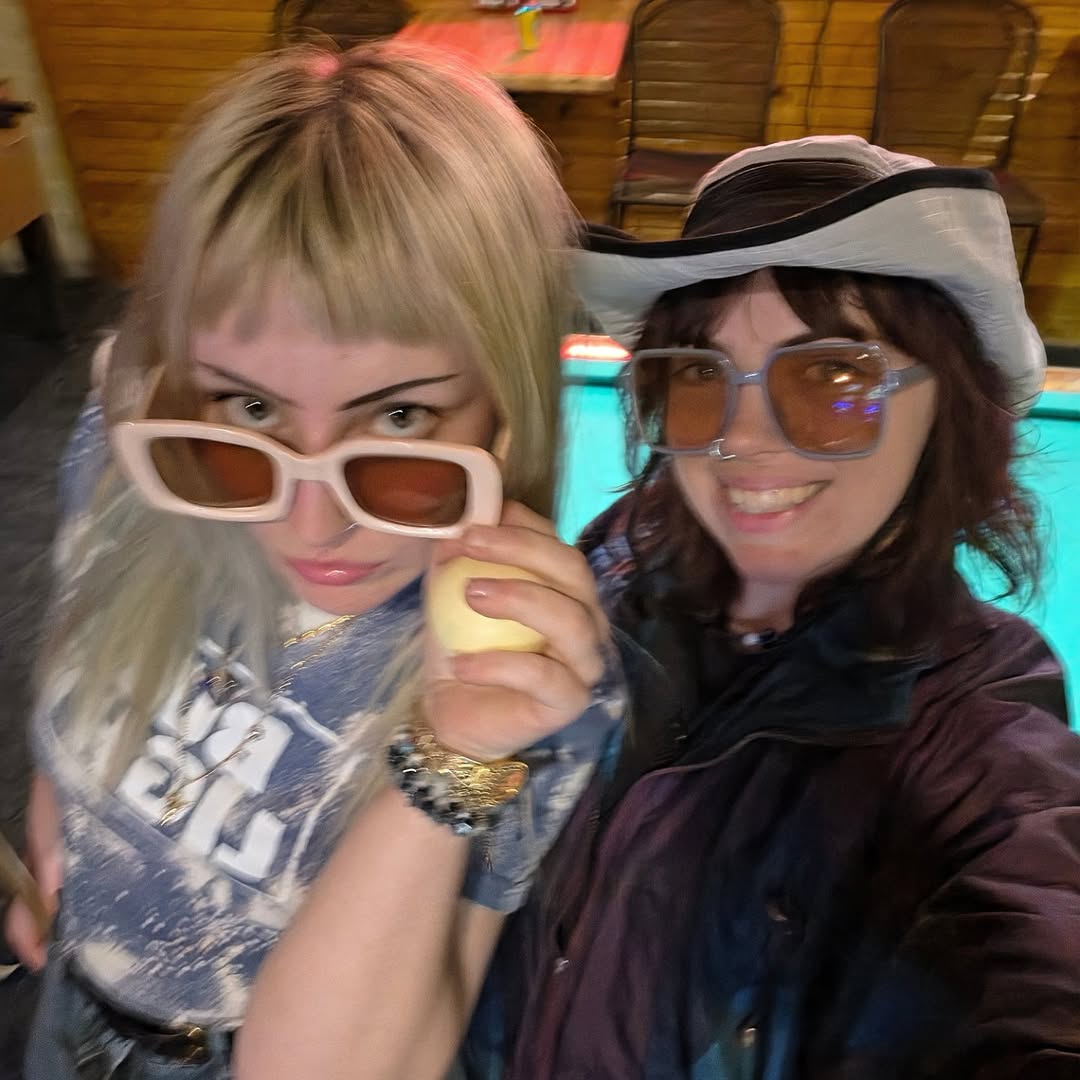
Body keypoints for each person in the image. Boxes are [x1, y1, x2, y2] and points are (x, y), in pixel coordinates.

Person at [252, 135, 1080, 1079]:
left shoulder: (976, 754)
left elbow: (1028, 958)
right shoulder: (622, 551)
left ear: (949, 401)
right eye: (700, 374)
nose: (742, 439)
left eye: (831, 376)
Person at [2, 42, 624, 1079]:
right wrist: (63, 820)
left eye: (400, 418)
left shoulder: (530, 679)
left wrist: (451, 754)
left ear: (504, 403)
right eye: (251, 407)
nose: (313, 523)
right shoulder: (136, 462)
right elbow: (90, 635)